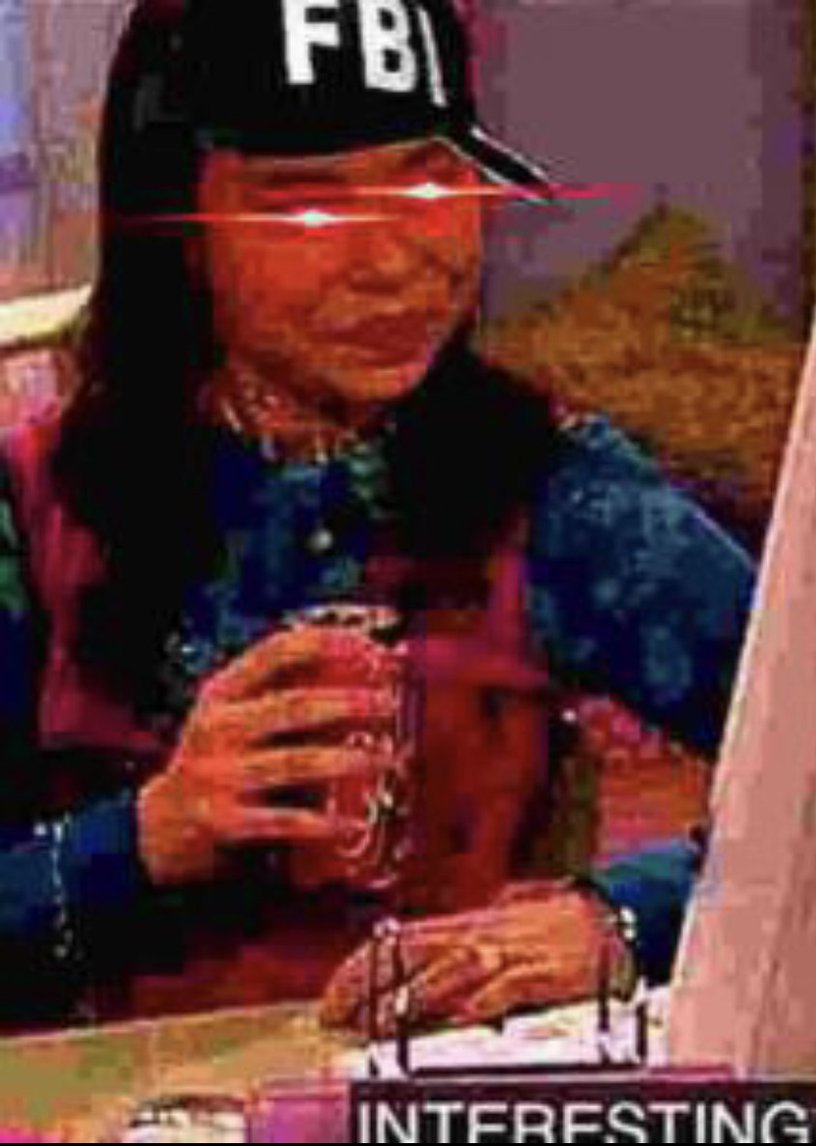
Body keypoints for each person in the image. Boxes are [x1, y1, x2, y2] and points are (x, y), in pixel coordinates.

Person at [0, 0, 756, 1033]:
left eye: (432, 178)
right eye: (307, 202)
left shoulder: (556, 490)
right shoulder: (34, 502)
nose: (396, 259)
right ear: (178, 230)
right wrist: (143, 839)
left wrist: (621, 918)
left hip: (427, 1087)